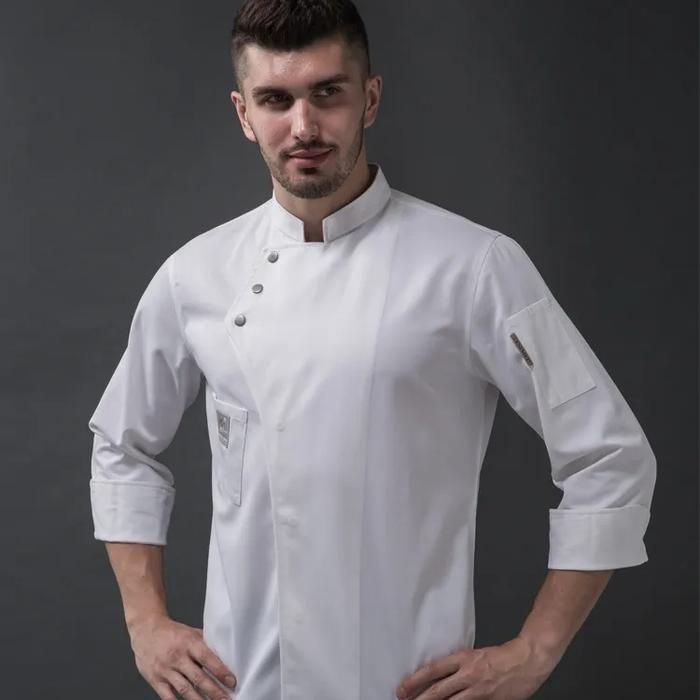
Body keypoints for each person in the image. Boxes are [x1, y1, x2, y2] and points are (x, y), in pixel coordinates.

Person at [87, 1, 657, 699]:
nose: (304, 126)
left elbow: (610, 457)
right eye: (275, 100)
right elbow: (121, 445)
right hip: (242, 682)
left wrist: (535, 651)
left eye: (328, 93)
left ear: (371, 98)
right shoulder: (195, 275)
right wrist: (145, 623)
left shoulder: (474, 267)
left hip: (403, 679)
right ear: (244, 114)